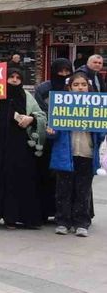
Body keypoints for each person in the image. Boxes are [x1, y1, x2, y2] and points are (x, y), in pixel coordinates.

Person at [0, 67, 46, 228]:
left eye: (18, 78)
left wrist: (31, 119)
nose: (14, 80)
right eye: (10, 77)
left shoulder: (27, 97)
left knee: (15, 181)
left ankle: (13, 217)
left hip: (18, 147)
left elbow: (41, 116)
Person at [47, 72, 105, 237]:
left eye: (83, 85)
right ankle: (63, 222)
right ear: (69, 87)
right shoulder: (60, 106)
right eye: (76, 85)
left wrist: (100, 125)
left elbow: (100, 136)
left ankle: (81, 222)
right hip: (65, 156)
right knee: (63, 191)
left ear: (89, 87)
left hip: (86, 155)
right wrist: (51, 131)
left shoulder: (96, 106)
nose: (80, 88)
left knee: (83, 190)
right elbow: (53, 134)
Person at [34, 58, 74, 221]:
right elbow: (38, 110)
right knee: (46, 175)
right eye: (60, 71)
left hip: (69, 139)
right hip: (47, 138)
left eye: (67, 71)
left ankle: (66, 213)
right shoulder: (43, 88)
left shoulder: (73, 86)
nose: (64, 74)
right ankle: (45, 210)